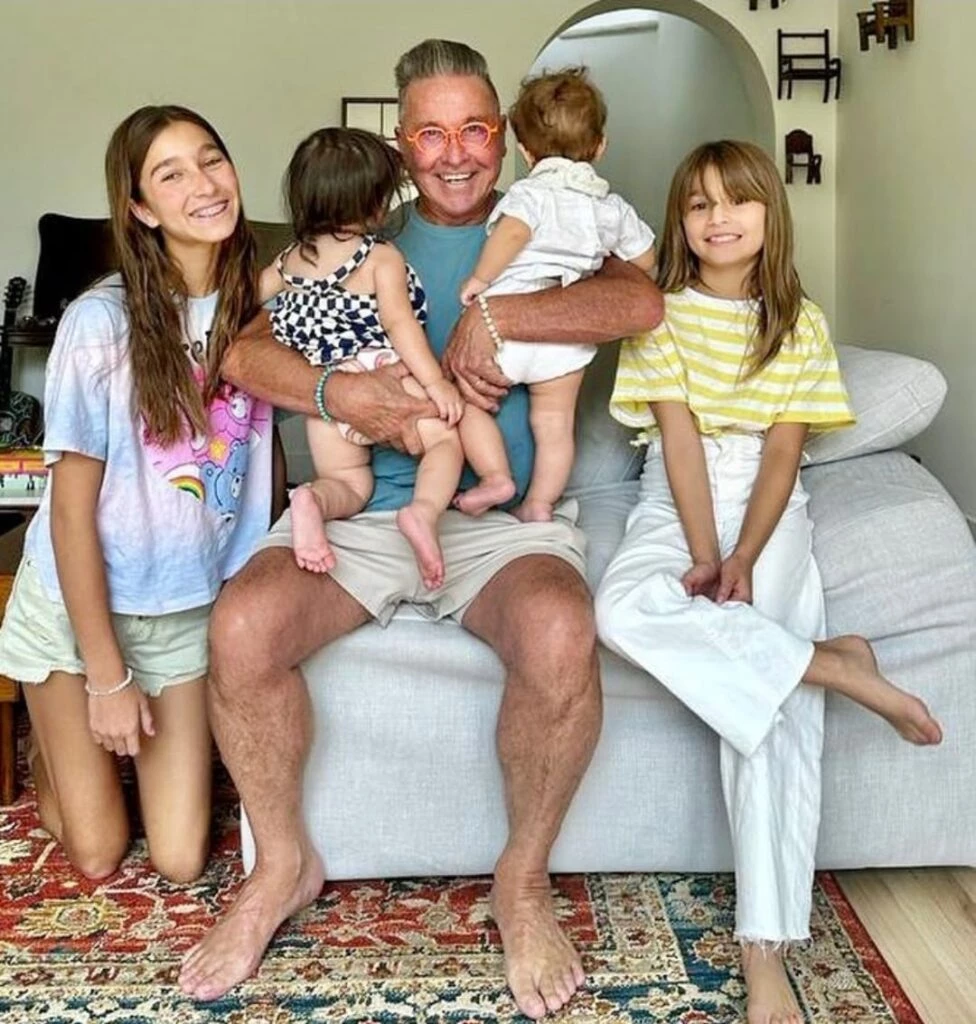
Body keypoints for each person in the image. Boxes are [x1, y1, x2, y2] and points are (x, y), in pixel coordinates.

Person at [176, 38, 663, 1019]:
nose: (455, 153)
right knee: (243, 626)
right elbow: (244, 354)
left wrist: (505, 315)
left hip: (499, 525)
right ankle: (282, 866)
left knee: (560, 628)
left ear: (507, 138)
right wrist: (341, 391)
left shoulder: (555, 221)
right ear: (402, 145)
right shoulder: (362, 235)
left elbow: (642, 298)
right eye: (432, 133)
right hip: (363, 510)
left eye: (475, 129)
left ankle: (520, 878)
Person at [594, 140, 943, 1024]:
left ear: (768, 214)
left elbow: (785, 451)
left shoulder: (800, 322)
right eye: (698, 204)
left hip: (766, 500)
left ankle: (765, 950)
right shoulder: (658, 314)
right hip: (675, 496)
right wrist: (703, 554)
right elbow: (678, 440)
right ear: (680, 221)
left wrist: (745, 556)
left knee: (773, 720)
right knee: (622, 608)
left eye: (737, 200)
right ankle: (829, 662)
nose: (718, 218)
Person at [0, 105, 273, 883]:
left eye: (211, 159)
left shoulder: (259, 307)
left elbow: (258, 458)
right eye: (171, 174)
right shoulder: (99, 322)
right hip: (78, 612)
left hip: (180, 610)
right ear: (142, 209)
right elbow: (69, 513)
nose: (204, 185)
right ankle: (53, 751)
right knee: (98, 851)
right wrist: (107, 677)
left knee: (183, 859)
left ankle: (82, 747)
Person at [261, 127, 508, 587]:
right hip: (381, 368)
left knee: (350, 484)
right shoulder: (378, 257)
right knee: (445, 442)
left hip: (327, 392)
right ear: (375, 203)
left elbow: (244, 303)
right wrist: (435, 384)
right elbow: (400, 325)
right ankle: (423, 512)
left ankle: (312, 500)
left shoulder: (290, 260)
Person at [458, 67, 656, 523]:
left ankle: (495, 477)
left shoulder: (529, 194)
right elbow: (646, 260)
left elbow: (512, 234)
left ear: (525, 151)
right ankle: (540, 504)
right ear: (600, 146)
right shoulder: (611, 208)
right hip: (563, 339)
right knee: (555, 425)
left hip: (508, 335)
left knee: (466, 403)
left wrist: (481, 280)